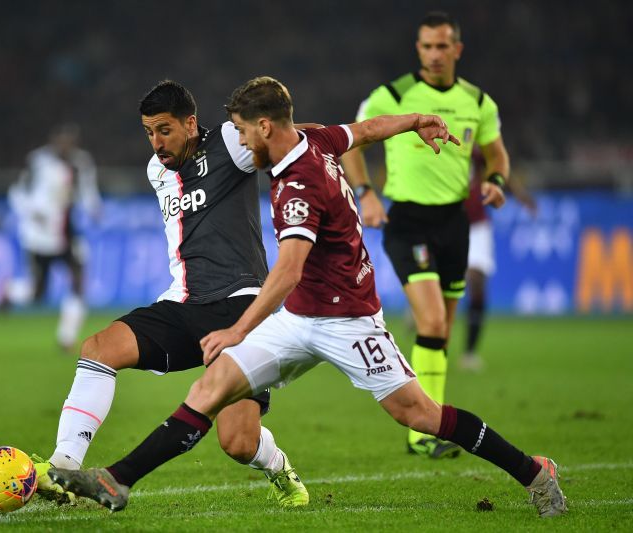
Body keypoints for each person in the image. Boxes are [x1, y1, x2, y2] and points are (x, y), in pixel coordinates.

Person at [47, 76, 567, 519]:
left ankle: (532, 470)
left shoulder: (298, 182)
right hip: (297, 318)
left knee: (420, 415)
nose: (240, 142)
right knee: (211, 388)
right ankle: (116, 481)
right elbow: (362, 131)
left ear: (265, 128)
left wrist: (236, 329)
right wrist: (415, 120)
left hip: (349, 321)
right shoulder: (315, 143)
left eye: (245, 132)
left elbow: (289, 269)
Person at [33, 81, 309, 508]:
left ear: (190, 123)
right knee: (99, 348)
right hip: (183, 303)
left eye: (164, 130)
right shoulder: (156, 170)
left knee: (237, 442)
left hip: (241, 307)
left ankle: (278, 467)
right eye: (148, 132)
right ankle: (64, 466)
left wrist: (372, 135)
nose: (156, 142)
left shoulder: (231, 145)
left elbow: (289, 135)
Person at [340, 11, 510, 458]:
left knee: (442, 330)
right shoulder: (391, 96)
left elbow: (496, 154)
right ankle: (421, 432)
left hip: (455, 224)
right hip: (408, 222)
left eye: (442, 46)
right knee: (432, 321)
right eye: (426, 47)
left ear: (457, 49)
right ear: (419, 49)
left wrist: (496, 180)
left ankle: (429, 423)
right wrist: (365, 194)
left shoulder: (478, 101)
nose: (434, 54)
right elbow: (350, 144)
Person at [3, 123, 101, 352]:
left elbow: (88, 192)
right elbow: (16, 192)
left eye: (70, 141)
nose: (66, 146)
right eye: (62, 141)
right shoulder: (37, 161)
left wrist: (95, 208)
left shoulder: (81, 162)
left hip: (68, 232)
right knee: (38, 293)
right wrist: (31, 212)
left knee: (78, 281)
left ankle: (66, 338)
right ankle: (9, 291)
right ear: (54, 141)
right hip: (39, 236)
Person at [461, 150, 537, 370]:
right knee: (446, 283)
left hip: (477, 225)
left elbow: (499, 168)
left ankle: (469, 352)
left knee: (477, 283)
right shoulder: (437, 140)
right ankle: (421, 310)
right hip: (448, 223)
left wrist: (522, 197)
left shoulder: (474, 148)